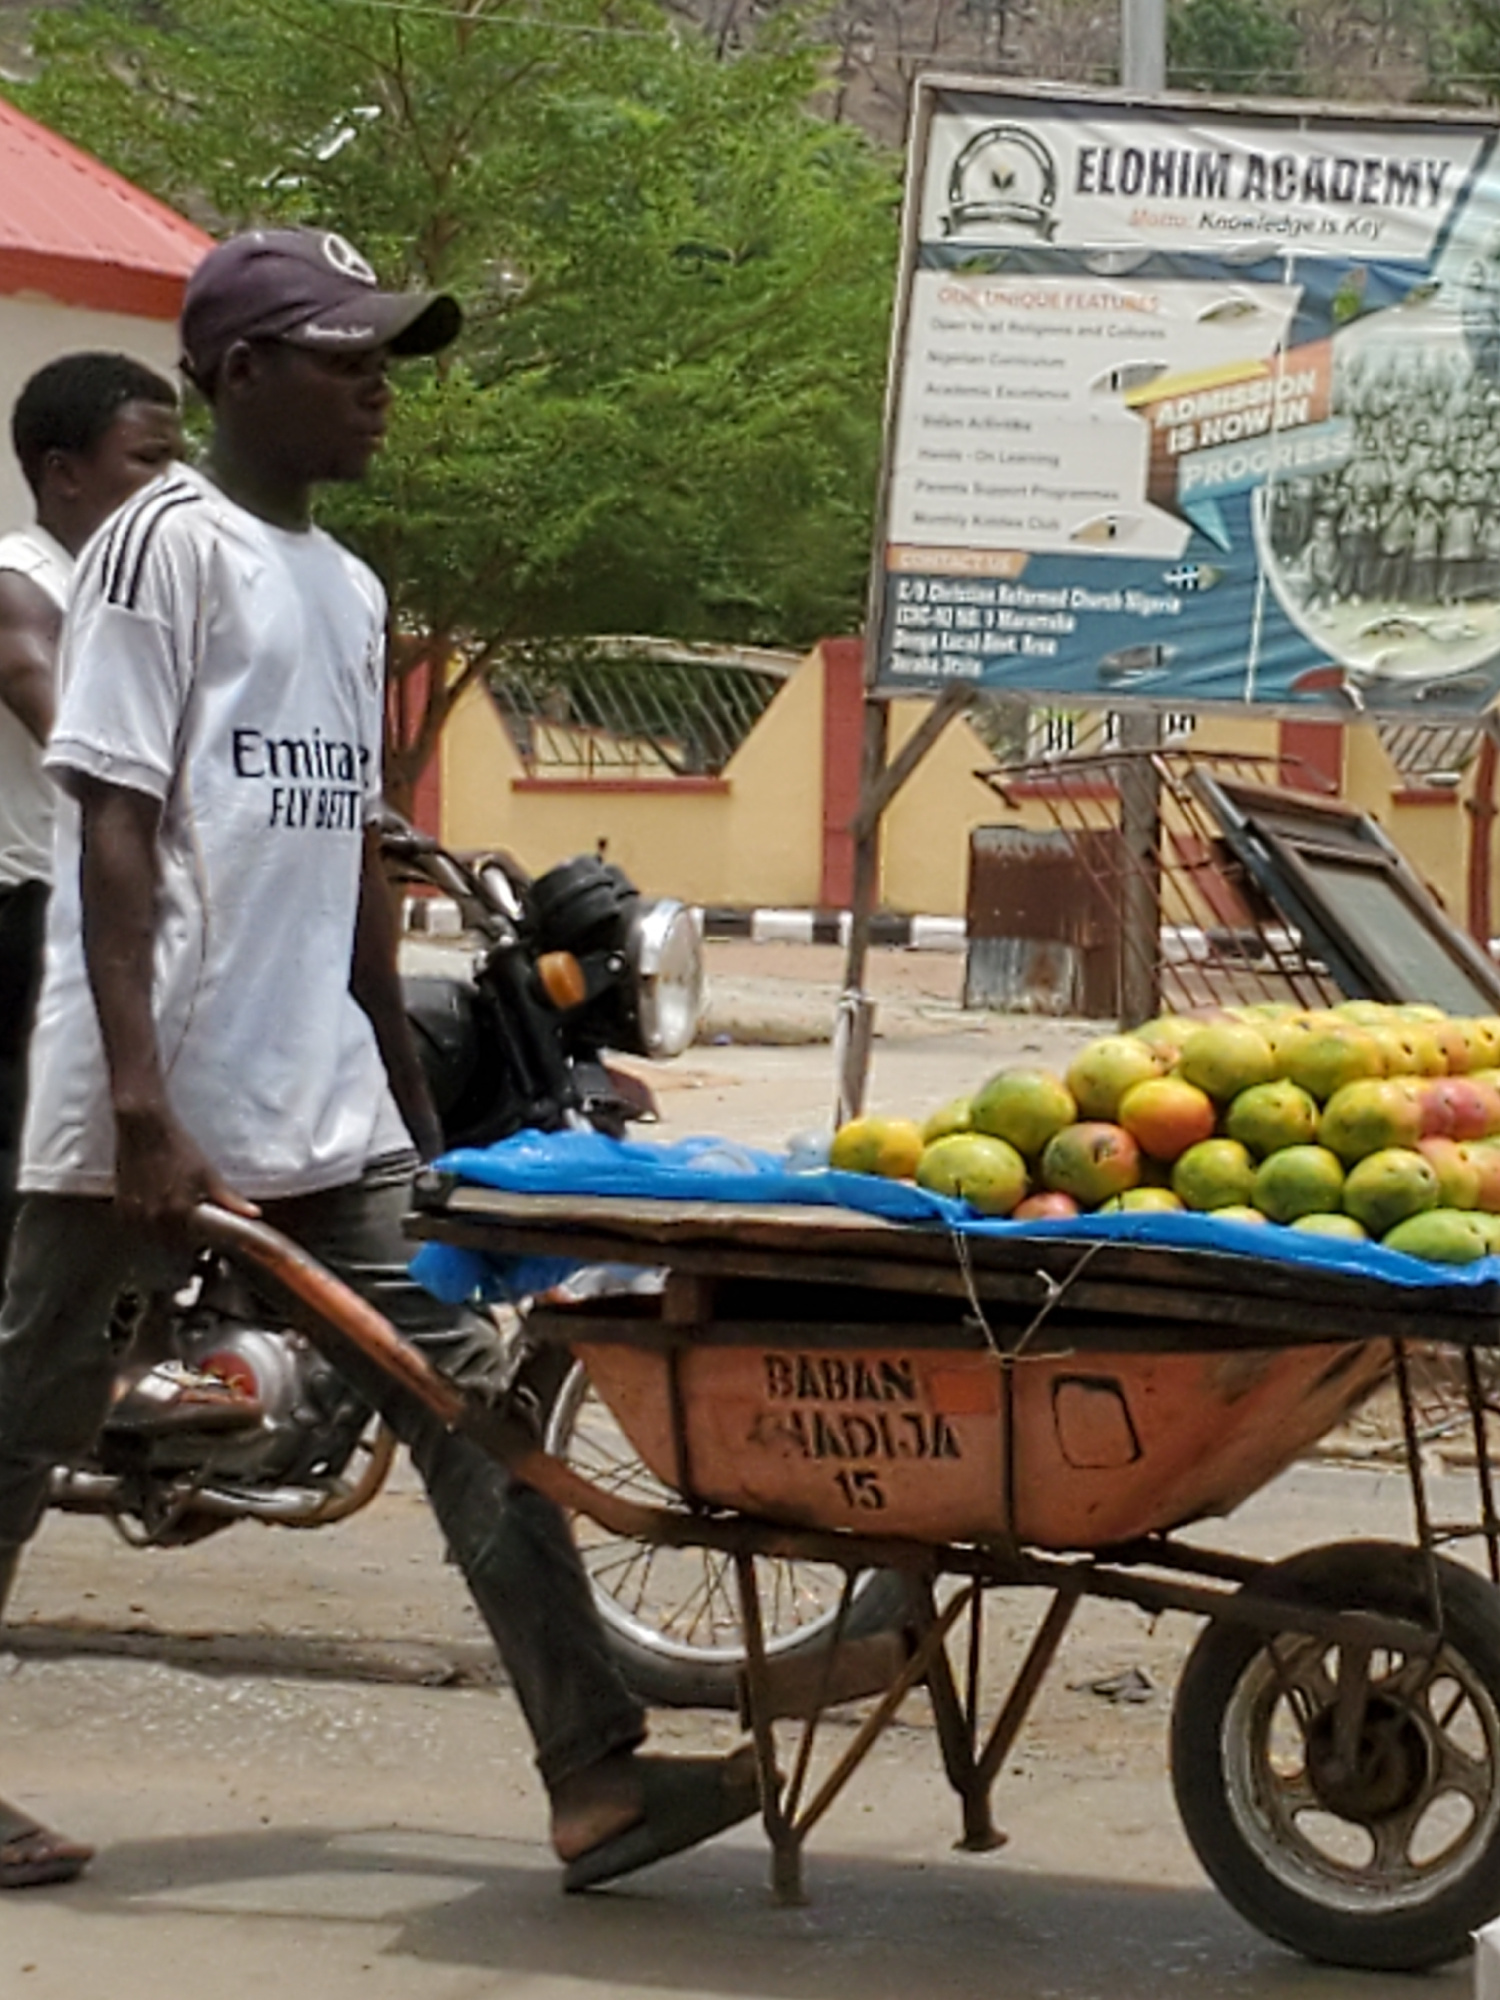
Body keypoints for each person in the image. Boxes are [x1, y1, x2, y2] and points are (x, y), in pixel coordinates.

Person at [0, 227, 760, 1892]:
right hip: (145, 1099)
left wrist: (413, 1109)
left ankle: (597, 1778)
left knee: (467, 1403)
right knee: (18, 1422)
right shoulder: (159, 547)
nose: (378, 390)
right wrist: (138, 1101)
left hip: (316, 1096)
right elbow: (114, 823)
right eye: (344, 359)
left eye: (385, 360)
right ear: (240, 372)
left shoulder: (347, 589)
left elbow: (346, 849)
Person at [0, 356, 181, 1242]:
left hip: (117, 907)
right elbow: (84, 741)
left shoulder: (134, 595)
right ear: (64, 473)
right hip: (28, 922)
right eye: (148, 460)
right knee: (48, 1184)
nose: (174, 485)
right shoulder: (20, 584)